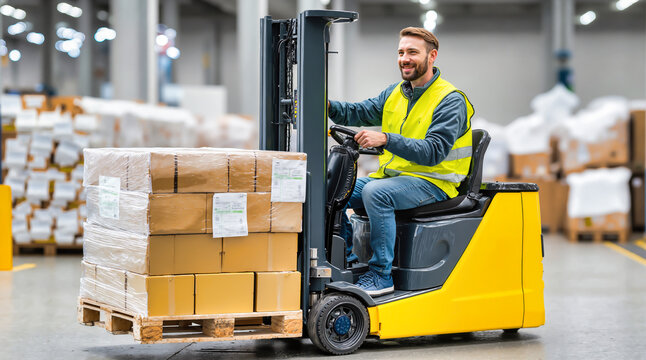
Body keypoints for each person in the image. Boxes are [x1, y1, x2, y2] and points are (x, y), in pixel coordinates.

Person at [328, 27, 474, 297]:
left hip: (435, 181)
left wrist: (385, 139)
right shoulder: (396, 93)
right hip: (397, 179)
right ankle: (345, 262)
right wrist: (322, 104)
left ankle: (381, 276)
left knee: (376, 193)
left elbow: (433, 151)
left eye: (412, 52)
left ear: (432, 56)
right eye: (401, 52)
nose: (405, 58)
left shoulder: (450, 100)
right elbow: (358, 111)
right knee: (335, 190)